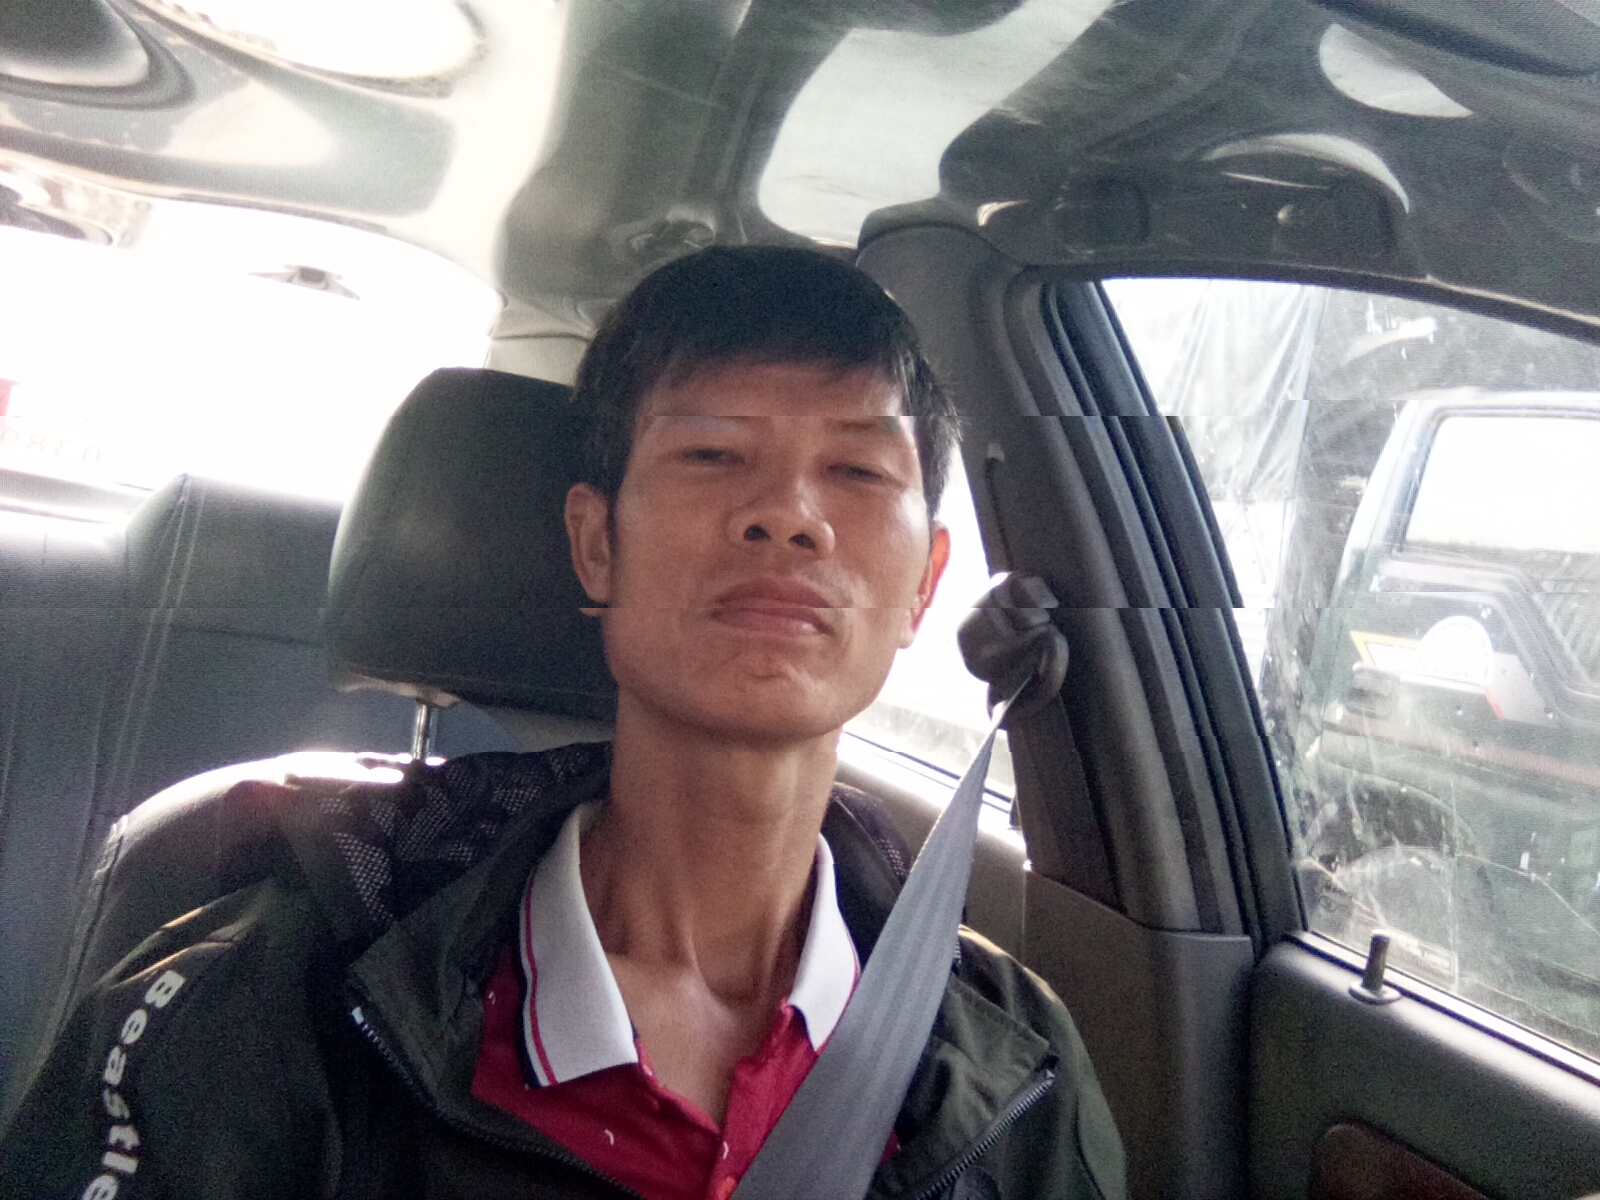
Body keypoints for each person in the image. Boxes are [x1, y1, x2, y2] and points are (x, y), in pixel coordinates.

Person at [0, 247, 1124, 1200]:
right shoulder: (273, 1002)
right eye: (712, 454)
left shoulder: (1006, 1059)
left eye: (857, 470)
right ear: (595, 545)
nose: (788, 516)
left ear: (924, 584)